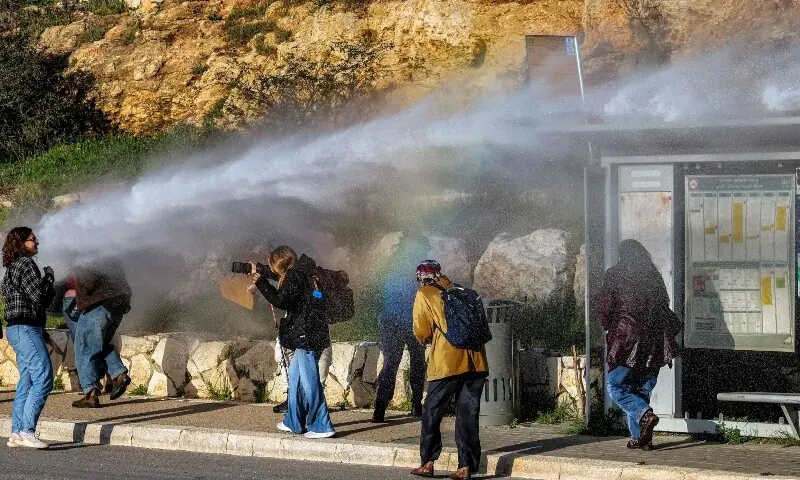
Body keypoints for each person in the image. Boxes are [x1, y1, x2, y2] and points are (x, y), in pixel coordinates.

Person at [410, 260, 488, 480]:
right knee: (467, 415)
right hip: (476, 361)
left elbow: (421, 329)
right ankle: (466, 466)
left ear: (420, 277)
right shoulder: (460, 289)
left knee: (431, 412)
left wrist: (426, 339)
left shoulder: (425, 293)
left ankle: (427, 462)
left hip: (447, 363)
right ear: (439, 274)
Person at [600, 239, 681, 451]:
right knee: (641, 390)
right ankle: (641, 439)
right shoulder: (653, 275)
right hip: (655, 342)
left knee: (616, 385)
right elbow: (665, 304)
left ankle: (645, 415)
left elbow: (606, 310)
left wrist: (609, 324)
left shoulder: (614, 274)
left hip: (626, 341)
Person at [252, 246, 335, 439]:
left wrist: (262, 284)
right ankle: (294, 421)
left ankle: (322, 425)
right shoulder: (302, 273)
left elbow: (281, 301)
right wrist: (260, 270)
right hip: (307, 334)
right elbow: (289, 295)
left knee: (309, 382)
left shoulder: (293, 277)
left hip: (306, 336)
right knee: (296, 379)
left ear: (280, 264)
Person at [1, 227, 55, 449]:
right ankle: (27, 431)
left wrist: (41, 331)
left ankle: (16, 433)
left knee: (27, 380)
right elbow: (39, 297)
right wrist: (49, 276)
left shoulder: (10, 268)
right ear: (22, 243)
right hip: (25, 329)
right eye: (33, 240)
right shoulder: (26, 264)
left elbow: (22, 302)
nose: (38, 242)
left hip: (18, 329)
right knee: (44, 377)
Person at [372, 235, 429, 423]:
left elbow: (379, 293)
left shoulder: (391, 265)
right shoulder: (419, 268)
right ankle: (416, 405)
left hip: (390, 322)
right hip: (413, 323)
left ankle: (379, 409)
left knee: (390, 364)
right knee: (418, 363)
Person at [67, 257, 133, 408]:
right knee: (100, 345)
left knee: (84, 347)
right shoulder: (106, 246)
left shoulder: (86, 250)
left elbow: (88, 281)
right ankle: (118, 374)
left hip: (98, 303)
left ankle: (90, 393)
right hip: (118, 304)